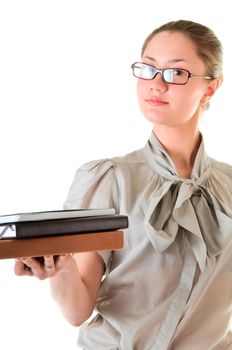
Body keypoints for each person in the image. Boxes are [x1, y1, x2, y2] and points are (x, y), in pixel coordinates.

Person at [14, 19, 232, 349]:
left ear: (210, 87)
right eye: (148, 69)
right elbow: (76, 311)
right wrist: (61, 267)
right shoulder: (109, 178)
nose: (156, 85)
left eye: (176, 73)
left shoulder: (229, 187)